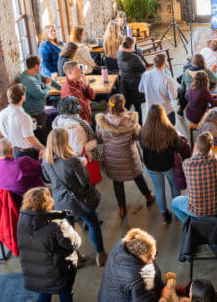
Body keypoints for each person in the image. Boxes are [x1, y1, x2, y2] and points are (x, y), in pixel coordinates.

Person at [41, 129, 106, 266]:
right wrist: (84, 166)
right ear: (65, 142)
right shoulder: (72, 160)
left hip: (60, 201)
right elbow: (84, 180)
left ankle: (75, 256)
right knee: (93, 224)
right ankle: (100, 255)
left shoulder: (46, 161)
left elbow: (47, 179)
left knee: (68, 229)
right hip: (79, 200)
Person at [17, 187, 81, 302]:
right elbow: (72, 244)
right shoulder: (56, 225)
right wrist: (72, 229)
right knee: (65, 292)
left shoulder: (22, 221)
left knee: (45, 290)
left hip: (35, 270)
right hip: (57, 271)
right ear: (48, 203)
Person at [95, 94, 154, 218]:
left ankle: (122, 208)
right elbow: (138, 136)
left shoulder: (102, 121)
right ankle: (148, 197)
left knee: (117, 183)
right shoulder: (130, 121)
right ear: (123, 105)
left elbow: (99, 137)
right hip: (129, 156)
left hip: (112, 158)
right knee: (138, 176)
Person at [172, 132, 217, 222]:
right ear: (212, 147)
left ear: (196, 146)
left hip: (196, 211)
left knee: (174, 203)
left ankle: (190, 224)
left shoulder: (187, 164)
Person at [139, 104, 181, 224]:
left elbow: (142, 146)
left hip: (152, 165)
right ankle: (177, 209)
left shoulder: (143, 131)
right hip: (168, 164)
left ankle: (164, 214)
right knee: (174, 185)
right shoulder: (170, 130)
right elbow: (178, 147)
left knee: (159, 189)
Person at [97, 228, 164, 302]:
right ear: (138, 255)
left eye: (154, 253)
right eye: (148, 256)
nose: (153, 258)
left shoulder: (121, 246)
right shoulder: (138, 277)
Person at [0, 83, 45, 159]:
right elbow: (31, 141)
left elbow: (3, 132)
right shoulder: (23, 117)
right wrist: (43, 148)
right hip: (26, 153)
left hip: (12, 151)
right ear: (23, 97)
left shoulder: (1, 114)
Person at [18, 55, 56, 143]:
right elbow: (42, 95)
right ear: (36, 66)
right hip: (35, 113)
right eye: (40, 65)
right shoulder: (28, 80)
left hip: (41, 110)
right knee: (42, 135)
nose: (41, 66)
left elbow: (48, 79)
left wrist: (62, 88)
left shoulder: (36, 73)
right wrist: (47, 86)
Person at [138, 53, 179, 125]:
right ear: (164, 64)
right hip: (166, 111)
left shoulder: (145, 75)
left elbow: (140, 89)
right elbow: (173, 97)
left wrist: (151, 91)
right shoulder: (167, 79)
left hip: (151, 111)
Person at [116, 36, 147, 123]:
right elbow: (143, 68)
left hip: (124, 84)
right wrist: (138, 55)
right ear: (131, 45)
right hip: (135, 85)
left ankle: (125, 124)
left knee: (126, 106)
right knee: (138, 108)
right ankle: (139, 125)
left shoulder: (118, 53)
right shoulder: (134, 57)